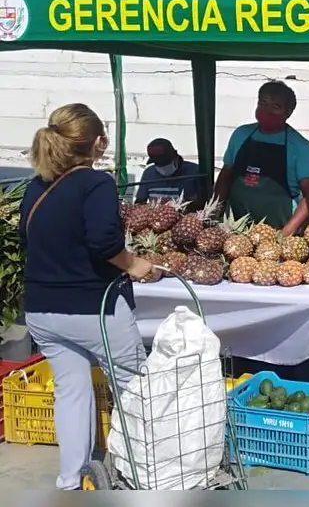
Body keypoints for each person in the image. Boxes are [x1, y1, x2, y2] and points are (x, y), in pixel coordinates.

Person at [19, 103, 151, 490]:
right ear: (98, 143)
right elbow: (103, 241)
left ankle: (70, 480)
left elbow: (26, 239)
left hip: (43, 310)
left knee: (71, 391)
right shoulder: (96, 184)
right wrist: (134, 264)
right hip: (95, 309)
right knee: (134, 388)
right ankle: (141, 476)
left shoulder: (37, 186)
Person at [214, 81, 309, 236]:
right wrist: (215, 212)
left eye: (275, 107)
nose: (267, 110)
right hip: (234, 229)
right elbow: (226, 176)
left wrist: (284, 234)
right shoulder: (241, 135)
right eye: (262, 103)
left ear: (288, 112)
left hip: (277, 230)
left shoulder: (301, 147)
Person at [134, 138, 205, 206]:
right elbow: (139, 203)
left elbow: (204, 201)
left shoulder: (194, 171)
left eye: (164, 163)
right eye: (157, 163)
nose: (162, 166)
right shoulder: (149, 173)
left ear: (175, 156)